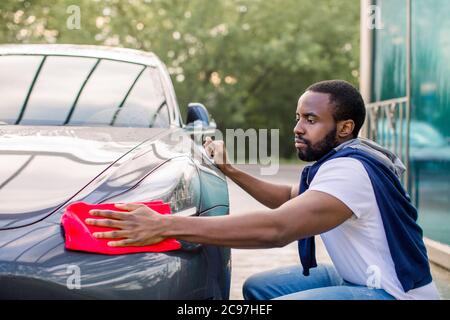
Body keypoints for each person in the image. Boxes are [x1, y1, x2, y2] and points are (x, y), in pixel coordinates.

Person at [86, 80, 440, 300]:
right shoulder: (341, 160)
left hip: (392, 293)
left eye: (311, 120)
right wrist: (230, 170)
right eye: (298, 117)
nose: (297, 128)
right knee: (259, 289)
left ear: (346, 127)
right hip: (360, 276)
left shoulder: (350, 171)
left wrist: (164, 225)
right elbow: (290, 199)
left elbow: (277, 229)